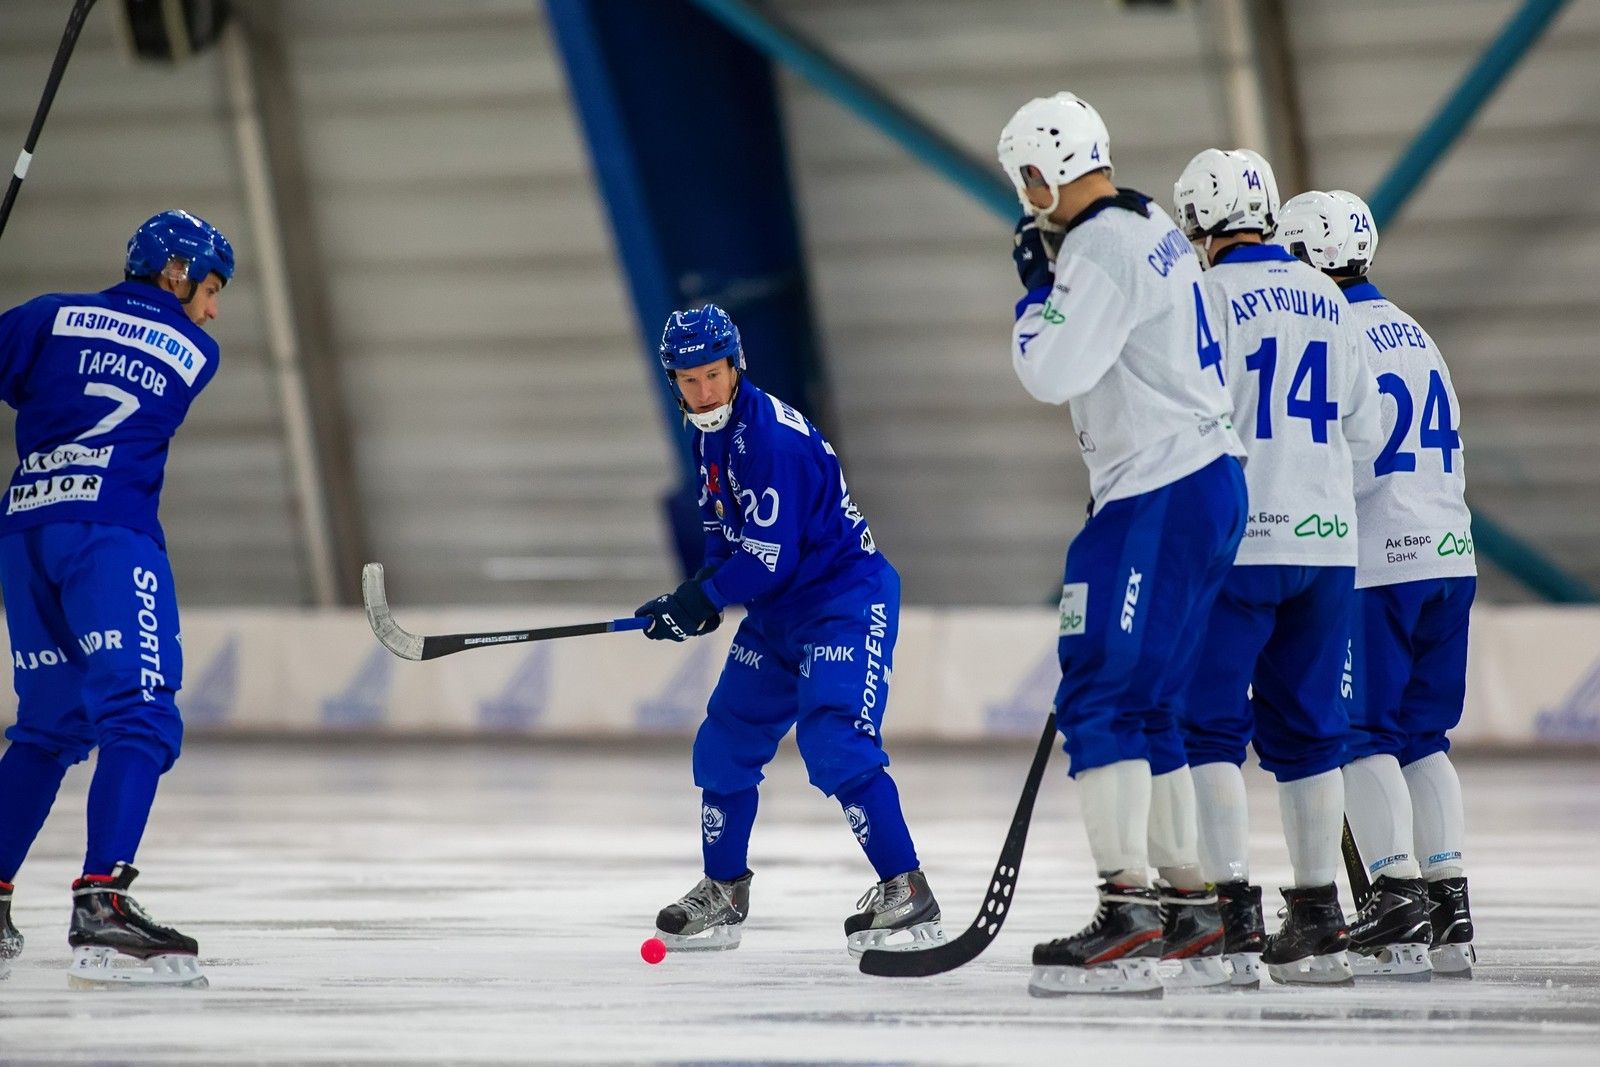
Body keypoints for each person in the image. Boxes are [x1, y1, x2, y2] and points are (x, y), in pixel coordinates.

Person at [998, 93, 1248, 996]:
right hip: (1207, 483)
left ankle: (1127, 909)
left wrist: (1035, 290)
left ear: (1041, 170)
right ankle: (1190, 902)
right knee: (1153, 702)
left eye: (1027, 181)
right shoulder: (1153, 225)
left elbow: (1049, 369)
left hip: (1154, 491)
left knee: (1101, 688)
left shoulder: (1098, 245)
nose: (1028, 200)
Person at [635, 304, 943, 958]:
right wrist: (689, 600)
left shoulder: (770, 439)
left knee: (833, 739)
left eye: (712, 375)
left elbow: (766, 556)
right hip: (779, 609)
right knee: (723, 742)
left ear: (734, 365)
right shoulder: (706, 436)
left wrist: (705, 596)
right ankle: (724, 889)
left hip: (843, 599)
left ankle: (906, 886)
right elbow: (726, 540)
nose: (703, 391)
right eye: (688, 380)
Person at [0, 209, 232, 988]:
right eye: (208, 286)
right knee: (140, 712)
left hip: (26, 532)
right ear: (174, 274)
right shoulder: (195, 350)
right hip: (109, 535)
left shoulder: (43, 317)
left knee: (48, 726)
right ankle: (103, 901)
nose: (212, 308)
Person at [1172, 150, 1381, 987]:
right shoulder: (1330, 299)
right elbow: (1363, 431)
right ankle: (1320, 920)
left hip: (1239, 542)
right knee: (1310, 738)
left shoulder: (1205, 295)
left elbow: (1185, 416)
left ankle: (1229, 923)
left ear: (1202, 224)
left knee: (1209, 730)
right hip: (1327, 546)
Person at [1279, 190, 1477, 980]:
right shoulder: (1416, 332)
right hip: (1448, 553)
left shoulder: (1330, 333)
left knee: (1360, 733)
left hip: (1377, 560)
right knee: (1424, 739)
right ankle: (1448, 905)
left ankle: (1393, 895)